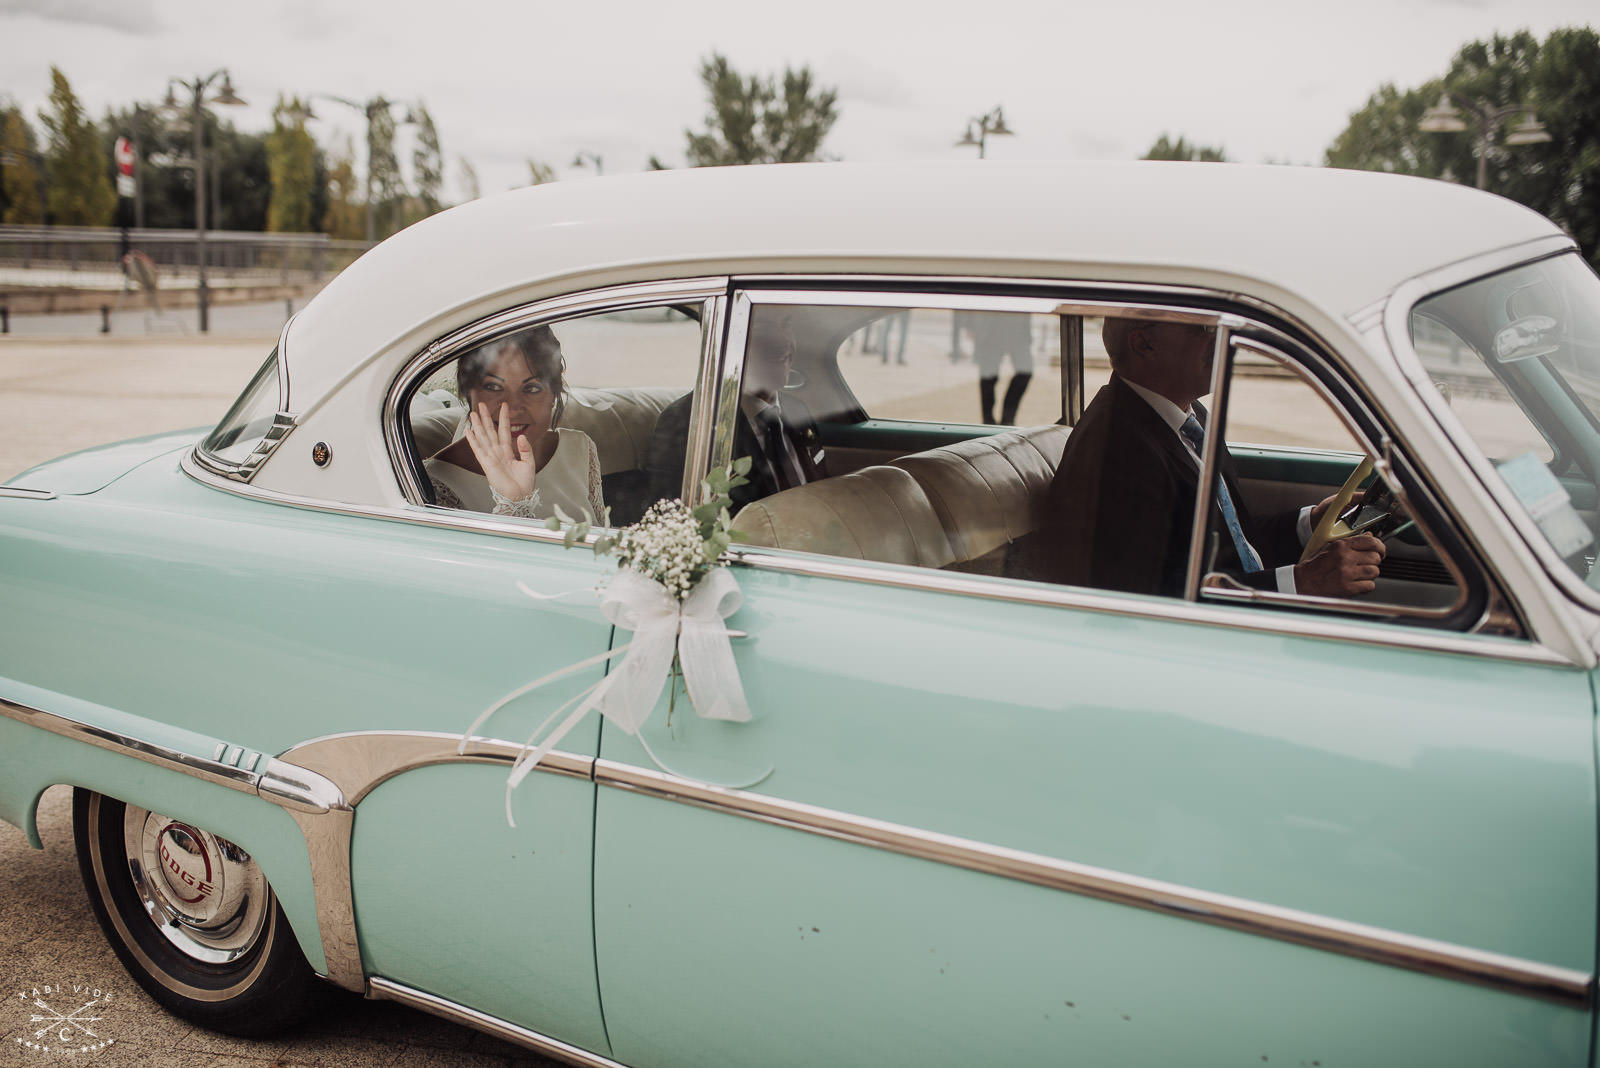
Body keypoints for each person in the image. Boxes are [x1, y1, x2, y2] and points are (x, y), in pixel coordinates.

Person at [1041, 317, 1384, 597]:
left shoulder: (1190, 417)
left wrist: (1308, 522)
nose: (1222, 337)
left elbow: (1230, 541)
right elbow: (1145, 598)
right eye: (1204, 327)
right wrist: (1301, 583)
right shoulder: (1117, 450)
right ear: (1144, 344)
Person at [425, 324, 604, 522]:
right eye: (493, 387)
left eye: (532, 388)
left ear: (553, 393)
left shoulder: (580, 448)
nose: (511, 408)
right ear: (468, 392)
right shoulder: (436, 481)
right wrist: (514, 503)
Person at [645, 312, 825, 509]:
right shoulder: (690, 421)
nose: (782, 340)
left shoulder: (797, 410)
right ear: (723, 341)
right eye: (762, 326)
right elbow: (677, 520)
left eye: (787, 324)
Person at [968, 311, 1034, 424]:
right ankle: (988, 419)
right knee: (988, 375)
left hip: (1018, 327)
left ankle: (1008, 416)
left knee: (1025, 371)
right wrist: (970, 324)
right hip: (992, 326)